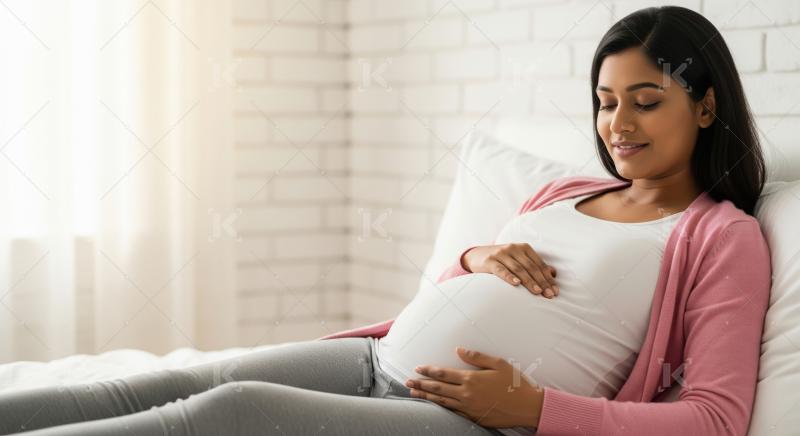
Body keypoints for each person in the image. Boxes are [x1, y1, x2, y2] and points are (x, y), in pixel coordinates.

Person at [0, 6, 771, 436]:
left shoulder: (720, 235)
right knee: (175, 381)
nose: (619, 125)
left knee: (228, 413)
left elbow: (714, 418)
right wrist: (474, 260)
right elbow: (447, 284)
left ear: (705, 105)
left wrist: (536, 412)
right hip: (379, 361)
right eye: (606, 103)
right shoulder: (563, 190)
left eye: (646, 101)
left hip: (467, 421)